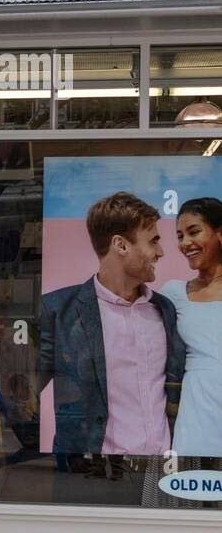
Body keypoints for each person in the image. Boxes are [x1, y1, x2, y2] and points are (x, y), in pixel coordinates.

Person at [39, 193, 184, 477]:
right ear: (120, 244)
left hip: (162, 470)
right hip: (93, 473)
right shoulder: (59, 310)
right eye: (153, 240)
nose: (161, 252)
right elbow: (22, 391)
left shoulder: (164, 309)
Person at [151, 199, 222, 507]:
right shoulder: (174, 293)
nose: (185, 243)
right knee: (186, 512)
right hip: (197, 416)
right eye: (180, 236)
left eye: (194, 232)